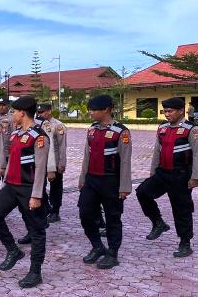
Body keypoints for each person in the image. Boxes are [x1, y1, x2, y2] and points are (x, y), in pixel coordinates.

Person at [0, 96, 50, 288]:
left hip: (29, 188)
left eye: (14, 111)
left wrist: (37, 195)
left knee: (36, 231)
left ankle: (35, 272)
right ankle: (13, 250)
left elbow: (40, 168)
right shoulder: (15, 134)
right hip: (12, 186)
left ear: (22, 113)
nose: (12, 114)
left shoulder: (39, 137)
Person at [136, 97, 198, 258]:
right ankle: (158, 223)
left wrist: (195, 177)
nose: (167, 114)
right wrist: (153, 172)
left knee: (181, 209)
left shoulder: (191, 129)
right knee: (142, 192)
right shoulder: (162, 128)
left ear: (181, 111)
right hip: (162, 173)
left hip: (181, 175)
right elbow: (157, 152)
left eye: (170, 111)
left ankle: (185, 243)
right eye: (165, 111)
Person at [78, 95, 132, 270]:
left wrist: (124, 186)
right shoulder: (92, 130)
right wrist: (82, 178)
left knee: (112, 218)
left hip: (111, 181)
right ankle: (97, 246)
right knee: (85, 213)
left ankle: (113, 253)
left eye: (94, 110)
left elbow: (125, 161)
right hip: (92, 180)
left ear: (107, 109)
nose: (91, 113)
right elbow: (87, 155)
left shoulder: (120, 132)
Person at [36, 103, 67, 223]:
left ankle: (55, 211)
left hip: (55, 161)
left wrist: (61, 163)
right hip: (41, 161)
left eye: (43, 112)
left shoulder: (58, 126)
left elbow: (62, 146)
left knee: (56, 187)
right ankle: (46, 208)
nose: (40, 114)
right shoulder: (37, 124)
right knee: (40, 186)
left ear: (49, 111)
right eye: (39, 112)